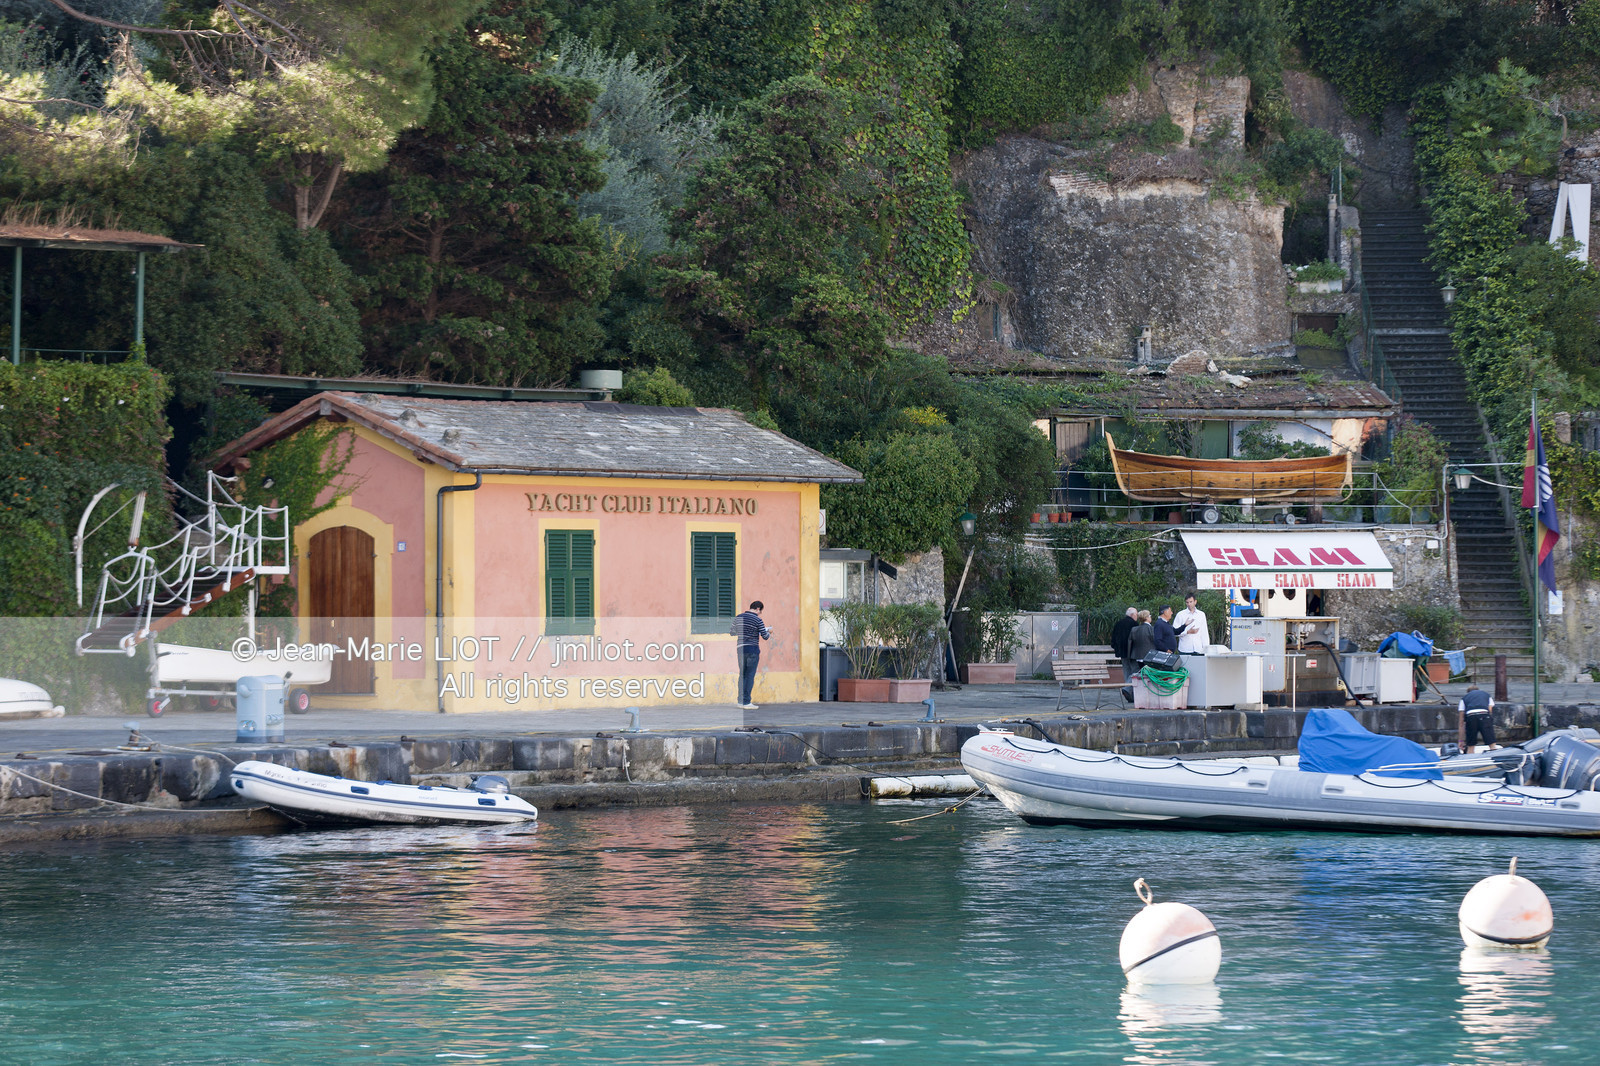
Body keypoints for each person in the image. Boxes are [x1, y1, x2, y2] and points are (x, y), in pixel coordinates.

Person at [732, 600, 772, 710]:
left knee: (742, 675)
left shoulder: (738, 617)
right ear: (758, 609)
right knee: (749, 676)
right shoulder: (758, 620)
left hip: (740, 650)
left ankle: (740, 701)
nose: (760, 613)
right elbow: (765, 636)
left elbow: (732, 632)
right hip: (752, 650)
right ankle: (746, 702)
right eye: (761, 611)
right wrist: (769, 632)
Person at [1459, 685, 1495, 749]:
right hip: (1484, 715)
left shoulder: (1464, 698)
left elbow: (1461, 722)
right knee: (1491, 743)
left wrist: (1461, 740)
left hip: (1471, 717)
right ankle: (1493, 750)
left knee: (1471, 745)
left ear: (1468, 692)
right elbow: (1490, 710)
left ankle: (1470, 754)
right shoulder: (1487, 695)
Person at [1110, 606, 1138, 682]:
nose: (1137, 616)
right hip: (1132, 652)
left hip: (1121, 651)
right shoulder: (1134, 624)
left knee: (1126, 669)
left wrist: (1116, 648)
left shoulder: (1118, 623)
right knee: (1135, 670)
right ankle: (1129, 689)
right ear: (1132, 615)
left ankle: (1127, 685)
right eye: (1136, 614)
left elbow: (1113, 638)